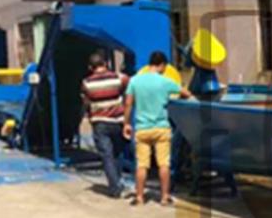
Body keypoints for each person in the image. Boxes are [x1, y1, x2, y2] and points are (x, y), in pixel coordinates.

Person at [124, 51, 191, 206]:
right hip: (161, 128)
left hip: (142, 128)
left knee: (142, 165)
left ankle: (140, 197)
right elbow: (186, 93)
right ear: (161, 65)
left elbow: (128, 104)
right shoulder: (165, 81)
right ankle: (164, 197)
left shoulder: (135, 81)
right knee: (164, 164)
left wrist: (126, 123)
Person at [81, 52, 129, 198]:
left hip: (100, 122)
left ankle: (115, 188)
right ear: (106, 64)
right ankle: (119, 180)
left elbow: (86, 103)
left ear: (90, 67)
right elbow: (129, 89)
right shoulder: (119, 78)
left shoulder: (86, 83)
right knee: (118, 153)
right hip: (118, 121)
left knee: (107, 155)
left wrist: (89, 116)